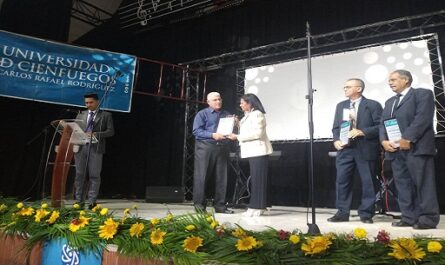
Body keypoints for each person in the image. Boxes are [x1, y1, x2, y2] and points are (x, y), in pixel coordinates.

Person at [380, 69, 439, 229]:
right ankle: (408, 217)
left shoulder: (422, 94)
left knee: (423, 184)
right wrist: (384, 141)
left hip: (416, 148)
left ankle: (428, 219)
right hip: (395, 150)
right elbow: (383, 123)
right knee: (402, 184)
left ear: (406, 80)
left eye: (393, 79)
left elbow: (422, 118)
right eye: (389, 80)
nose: (390, 82)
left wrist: (407, 138)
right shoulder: (389, 102)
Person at [328, 78, 382, 224]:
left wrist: (362, 131)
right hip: (345, 149)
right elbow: (336, 128)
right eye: (344, 87)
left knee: (368, 181)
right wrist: (336, 140)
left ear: (358, 89)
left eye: (348, 87)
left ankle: (366, 214)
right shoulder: (341, 106)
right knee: (342, 181)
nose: (344, 89)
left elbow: (380, 126)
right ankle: (342, 212)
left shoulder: (372, 105)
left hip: (365, 148)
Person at [228, 94, 273, 217]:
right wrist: (237, 123)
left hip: (259, 151)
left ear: (250, 103)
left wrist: (237, 137)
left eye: (243, 102)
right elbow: (248, 130)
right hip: (253, 152)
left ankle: (257, 206)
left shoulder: (257, 114)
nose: (240, 105)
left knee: (259, 180)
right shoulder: (248, 115)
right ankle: (257, 206)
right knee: (256, 179)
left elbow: (257, 133)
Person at [192, 92, 234, 214]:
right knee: (202, 177)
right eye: (215, 100)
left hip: (222, 147)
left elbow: (230, 131)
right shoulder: (202, 114)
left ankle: (220, 206)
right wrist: (212, 135)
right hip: (206, 147)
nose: (218, 101)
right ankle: (199, 206)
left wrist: (234, 124)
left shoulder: (226, 114)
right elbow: (196, 131)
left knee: (222, 177)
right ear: (208, 102)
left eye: (219, 99)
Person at [74, 93, 114, 209]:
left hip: (96, 148)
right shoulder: (81, 114)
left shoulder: (106, 115)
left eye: (91, 102)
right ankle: (78, 201)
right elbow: (75, 129)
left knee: (94, 176)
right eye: (86, 103)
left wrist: (96, 134)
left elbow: (111, 132)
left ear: (97, 102)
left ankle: (91, 201)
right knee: (79, 175)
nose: (88, 105)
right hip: (81, 147)